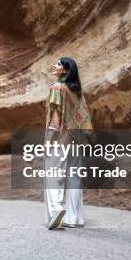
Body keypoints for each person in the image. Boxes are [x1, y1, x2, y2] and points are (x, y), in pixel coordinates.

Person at [44, 57, 94, 230]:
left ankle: (56, 210)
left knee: (53, 174)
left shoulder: (57, 88)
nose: (54, 66)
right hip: (76, 139)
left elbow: (56, 119)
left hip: (60, 138)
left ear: (65, 70)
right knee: (74, 177)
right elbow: (85, 118)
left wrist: (49, 140)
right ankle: (74, 218)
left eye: (58, 64)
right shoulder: (77, 93)